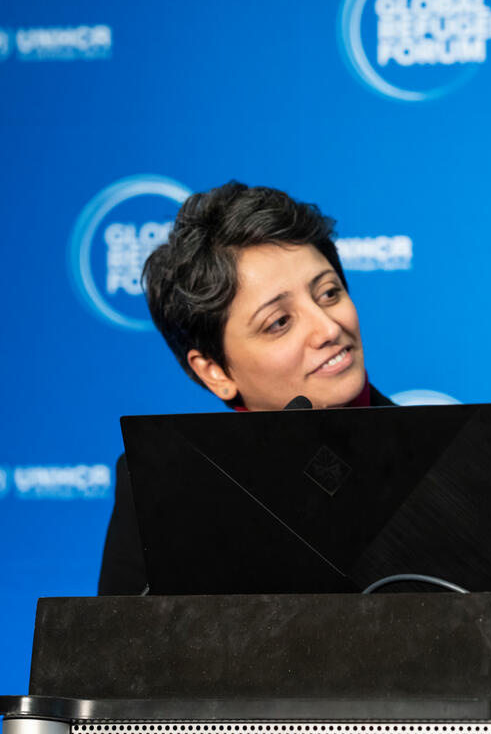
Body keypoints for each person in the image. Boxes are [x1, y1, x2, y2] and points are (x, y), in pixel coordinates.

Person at [98, 181, 390, 595]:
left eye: (329, 293)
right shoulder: (167, 489)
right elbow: (115, 654)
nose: (329, 328)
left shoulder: (464, 453)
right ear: (215, 370)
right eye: (279, 322)